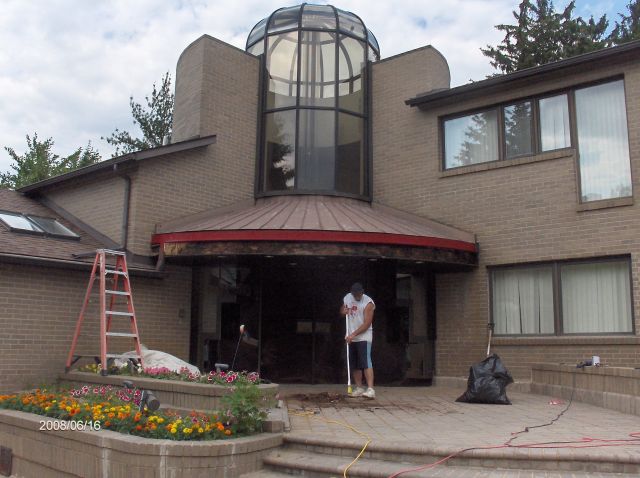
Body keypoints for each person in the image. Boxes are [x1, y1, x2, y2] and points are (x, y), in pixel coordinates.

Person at [340, 282, 375, 399]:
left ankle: (370, 389)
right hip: (350, 337)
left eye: (359, 294)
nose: (357, 296)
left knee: (366, 362)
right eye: (355, 294)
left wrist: (353, 334)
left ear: (362, 292)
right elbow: (342, 310)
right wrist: (343, 311)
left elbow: (367, 323)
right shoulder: (347, 298)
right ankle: (359, 387)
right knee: (354, 363)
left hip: (363, 337)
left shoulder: (368, 303)